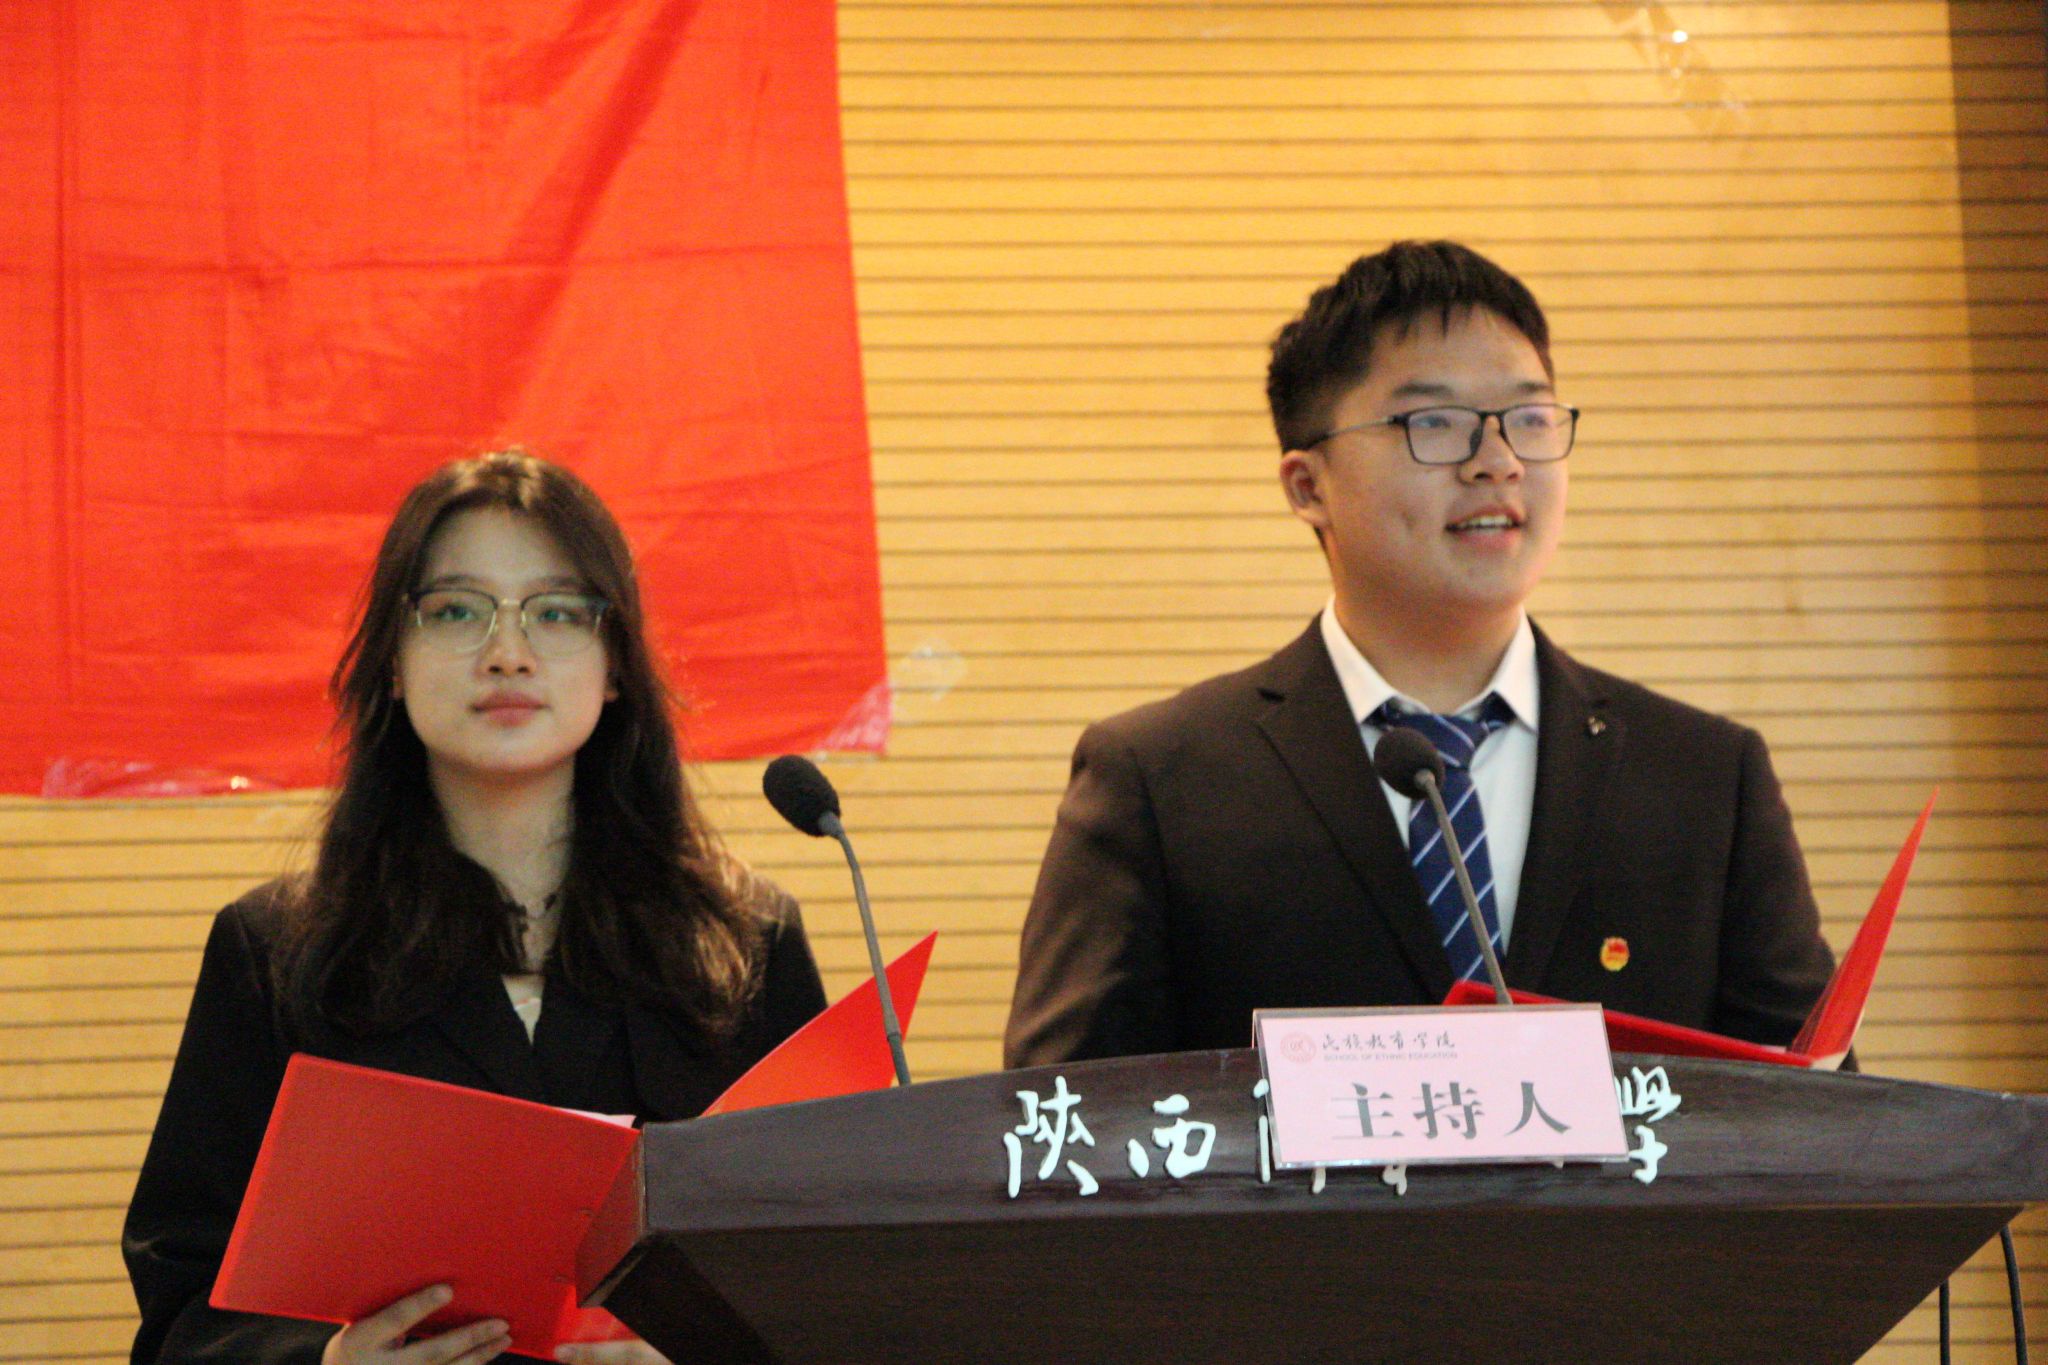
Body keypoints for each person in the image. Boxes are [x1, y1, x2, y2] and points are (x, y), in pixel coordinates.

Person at [1005, 240, 1837, 1067]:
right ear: (1307, 486)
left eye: (1529, 419)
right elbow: (1060, 1118)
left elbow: (1827, 1120)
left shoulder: (1705, 778)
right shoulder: (1160, 781)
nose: (1497, 463)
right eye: (1433, 423)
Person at [124, 451, 828, 1364]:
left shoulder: (745, 943)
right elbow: (182, 1304)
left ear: (615, 666)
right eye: (456, 610)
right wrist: (325, 1362)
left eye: (558, 611)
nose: (507, 651)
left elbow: (837, 1273)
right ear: (393, 663)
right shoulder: (275, 951)